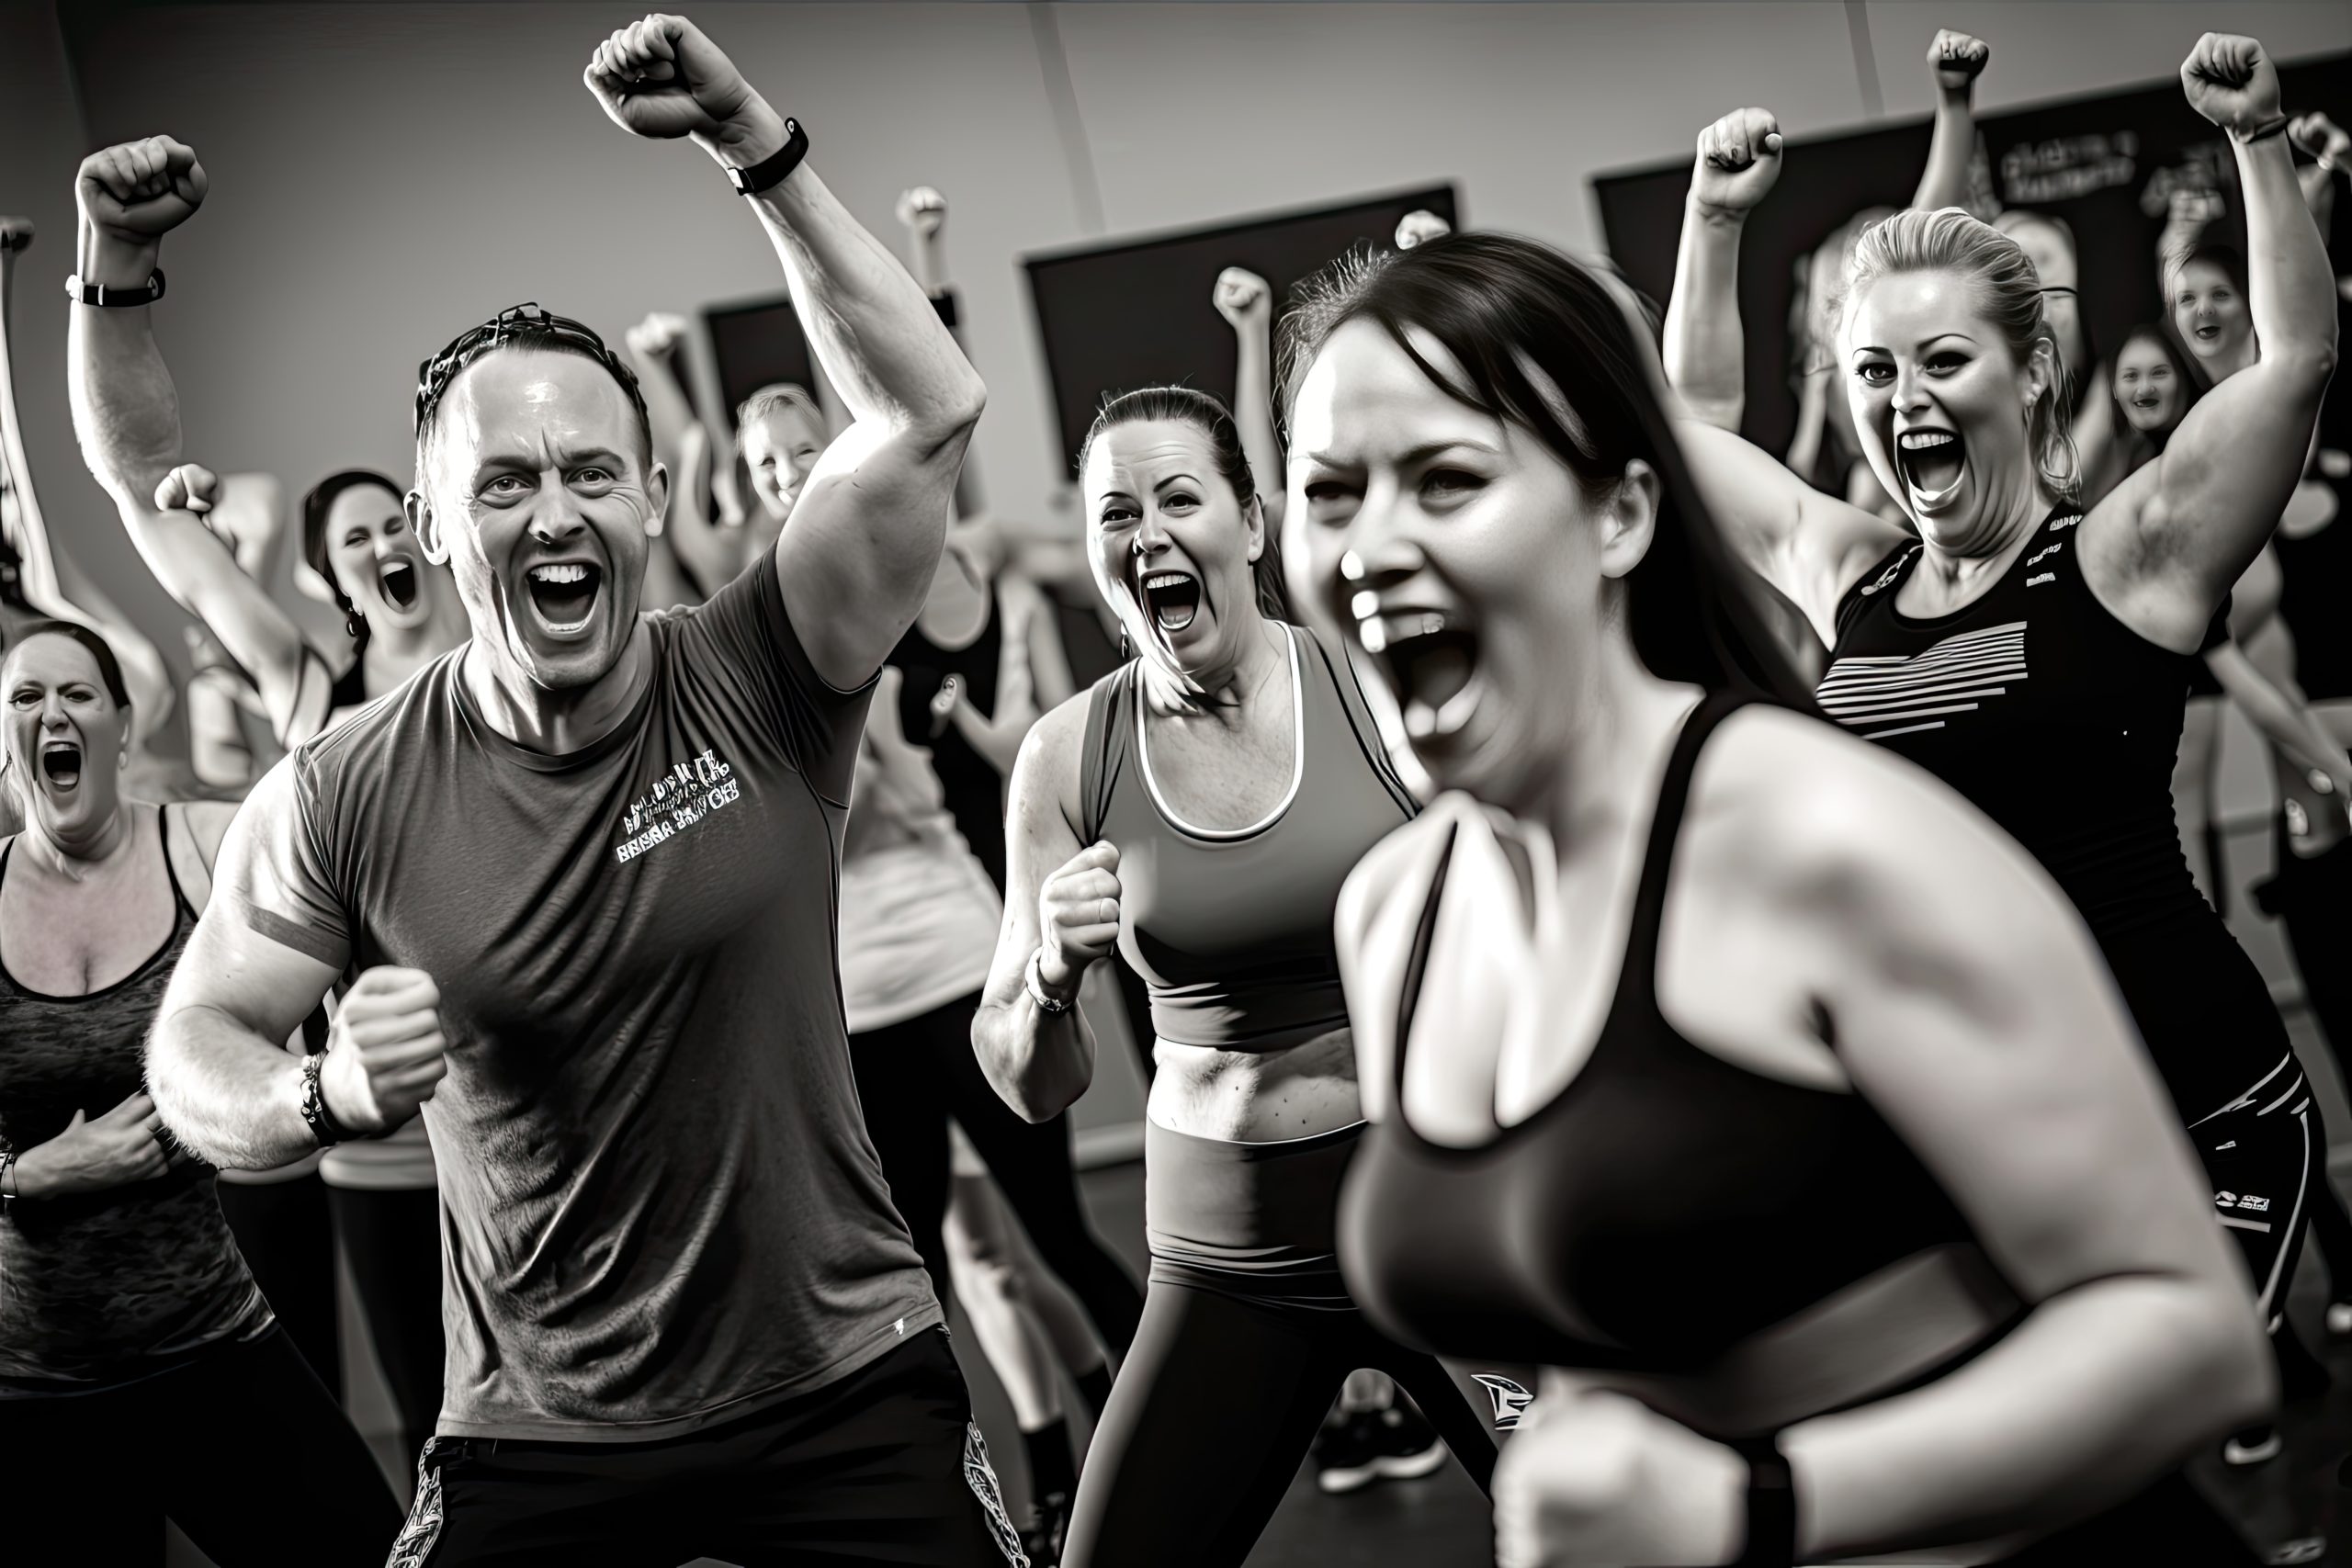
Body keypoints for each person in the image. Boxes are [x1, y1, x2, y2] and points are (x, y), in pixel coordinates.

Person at [109, 13, 1015, 1563]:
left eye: (592, 471)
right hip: (537, 1424)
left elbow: (926, 408)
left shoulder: (763, 666)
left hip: (838, 1377)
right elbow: (195, 1041)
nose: (554, 514)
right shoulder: (348, 784)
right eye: (505, 483)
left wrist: (754, 143)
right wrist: (317, 1092)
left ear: (653, 496)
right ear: (431, 523)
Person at [1281, 228, 2274, 1567]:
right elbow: (1590, 1313)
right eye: (1328, 493)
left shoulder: (1822, 837)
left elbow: (2196, 1342)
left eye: (1447, 480)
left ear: (1620, 513)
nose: (1369, 547)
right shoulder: (1392, 918)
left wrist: (1752, 1504)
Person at [1662, 31, 2337, 1474]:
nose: (1900, 397)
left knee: (2109, 1459)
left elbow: (2295, 365)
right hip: (1977, 1130)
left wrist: (2258, 144)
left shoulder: (2132, 555)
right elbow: (1687, 433)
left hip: (2188, 1109)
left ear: (2034, 373)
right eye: (1868, 369)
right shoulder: (1845, 572)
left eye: (1941, 359)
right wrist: (1714, 226)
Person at [972, 382, 1495, 1568]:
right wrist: (1050, 972)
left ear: (1251, 525)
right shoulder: (1068, 756)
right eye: (1115, 513)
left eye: (1177, 497)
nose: (1146, 533)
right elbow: (1026, 1083)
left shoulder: (1373, 682)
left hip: (1436, 1202)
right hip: (1227, 1251)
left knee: (1630, 1526)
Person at [67, 152, 468, 1468]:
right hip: (385, 1139)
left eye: (390, 523)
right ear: (325, 578)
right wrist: (113, 275)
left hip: (546, 1121)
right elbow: (140, 486)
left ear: (433, 530)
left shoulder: (523, 673)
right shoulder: (310, 688)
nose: (377, 547)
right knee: (436, 1426)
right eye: (347, 542)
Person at [0, 621, 401, 1565]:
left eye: (79, 694)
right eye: (25, 697)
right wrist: (29, 1176)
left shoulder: (206, 847)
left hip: (210, 1341)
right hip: (35, 1382)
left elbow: (328, 874)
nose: (52, 712)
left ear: (124, 725)